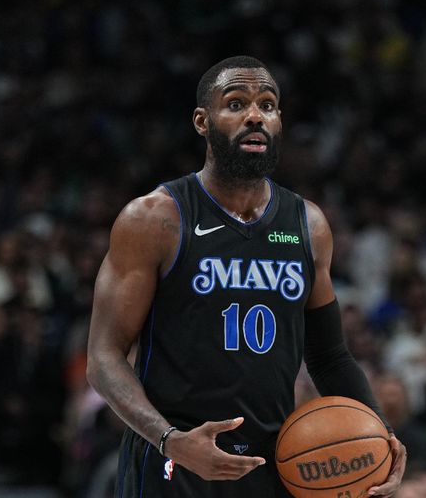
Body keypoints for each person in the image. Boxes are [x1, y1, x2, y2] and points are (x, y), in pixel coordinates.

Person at [87, 56, 407, 496]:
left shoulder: (308, 225)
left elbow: (330, 357)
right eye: (235, 103)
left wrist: (383, 435)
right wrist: (169, 441)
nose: (255, 115)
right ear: (202, 121)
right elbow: (104, 359)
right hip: (175, 465)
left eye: (268, 105)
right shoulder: (155, 218)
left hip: (273, 464)